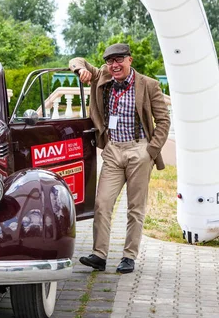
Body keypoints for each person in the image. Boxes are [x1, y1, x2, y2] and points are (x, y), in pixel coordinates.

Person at [69, 43, 170, 274]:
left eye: (119, 60)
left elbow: (163, 121)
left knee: (135, 207)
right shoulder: (103, 77)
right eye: (110, 61)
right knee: (102, 203)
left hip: (139, 149)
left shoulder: (148, 85)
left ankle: (129, 256)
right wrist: (79, 71)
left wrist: (151, 151)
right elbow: (77, 60)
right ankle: (99, 255)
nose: (114, 65)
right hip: (113, 150)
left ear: (129, 60)